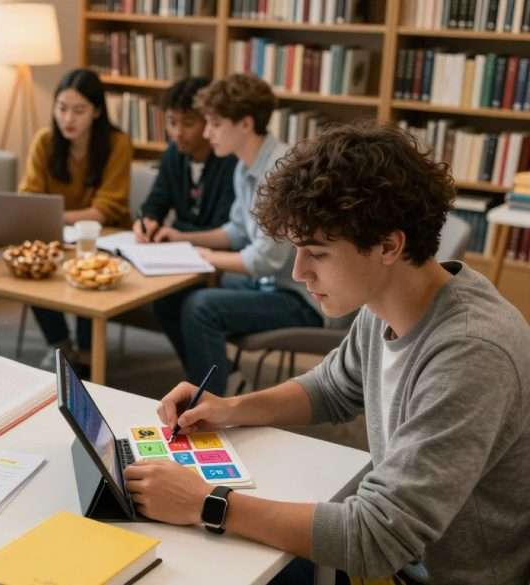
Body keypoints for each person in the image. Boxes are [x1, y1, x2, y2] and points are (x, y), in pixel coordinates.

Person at [125, 122, 530, 585]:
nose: (299, 272)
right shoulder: (389, 302)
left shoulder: (472, 353)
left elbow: (376, 537)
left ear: (388, 245)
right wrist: (230, 408)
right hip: (394, 556)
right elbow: (332, 388)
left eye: (316, 253)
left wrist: (205, 502)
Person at [152, 73, 322, 392]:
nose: (207, 132)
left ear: (245, 124)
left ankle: (214, 398)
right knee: (172, 296)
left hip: (301, 297)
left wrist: (207, 258)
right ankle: (221, 380)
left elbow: (264, 260)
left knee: (200, 306)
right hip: (269, 284)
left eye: (215, 124)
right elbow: (236, 231)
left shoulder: (280, 171)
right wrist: (183, 239)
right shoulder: (245, 166)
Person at [19, 68, 132, 367]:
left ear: (96, 111)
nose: (68, 119)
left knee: (88, 267)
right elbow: (29, 199)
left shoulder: (117, 144)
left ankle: (87, 352)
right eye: (62, 108)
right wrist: (61, 219)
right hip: (57, 235)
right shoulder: (44, 141)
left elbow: (106, 208)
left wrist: (54, 215)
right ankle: (59, 343)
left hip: (106, 238)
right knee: (32, 265)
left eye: (79, 110)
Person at [134, 77, 237, 244]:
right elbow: (156, 202)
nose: (177, 133)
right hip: (179, 248)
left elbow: (223, 228)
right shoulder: (173, 153)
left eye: (188, 123)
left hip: (215, 254)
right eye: (171, 122)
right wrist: (147, 221)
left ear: (209, 121)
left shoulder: (231, 160)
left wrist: (179, 233)